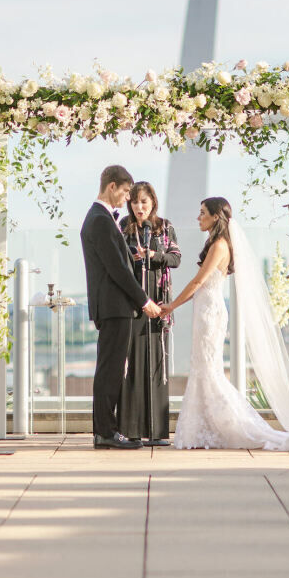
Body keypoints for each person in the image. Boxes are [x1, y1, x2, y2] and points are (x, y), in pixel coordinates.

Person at [162, 197, 289, 450]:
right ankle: (204, 427)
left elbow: (198, 282)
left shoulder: (219, 245)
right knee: (204, 368)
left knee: (209, 370)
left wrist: (171, 306)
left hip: (209, 311)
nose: (198, 218)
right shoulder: (217, 243)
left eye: (202, 213)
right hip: (206, 309)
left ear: (215, 217)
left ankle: (230, 425)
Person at [80, 165, 159, 449]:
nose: (128, 198)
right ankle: (105, 432)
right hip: (114, 306)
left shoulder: (101, 217)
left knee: (111, 368)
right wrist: (144, 300)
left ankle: (106, 430)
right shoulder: (100, 219)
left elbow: (121, 262)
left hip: (114, 306)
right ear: (112, 186)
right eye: (126, 192)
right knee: (110, 370)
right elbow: (116, 269)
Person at [118, 181, 181, 446]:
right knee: (131, 367)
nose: (139, 207)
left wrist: (154, 255)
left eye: (144, 202)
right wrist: (133, 257)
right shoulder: (123, 226)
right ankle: (131, 431)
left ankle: (157, 432)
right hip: (132, 305)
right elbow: (116, 261)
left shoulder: (164, 227)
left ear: (153, 202)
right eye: (134, 202)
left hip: (159, 306)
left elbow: (176, 258)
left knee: (157, 365)